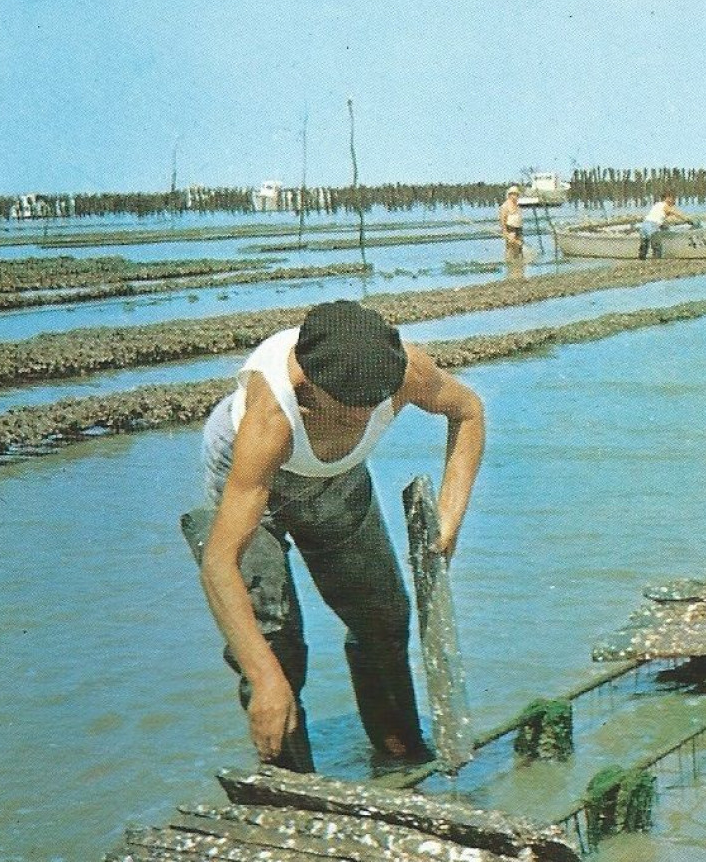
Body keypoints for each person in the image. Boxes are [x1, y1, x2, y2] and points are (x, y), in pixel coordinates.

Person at [183, 299, 485, 772]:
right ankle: (292, 783)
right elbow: (219, 564)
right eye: (347, 415)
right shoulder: (272, 418)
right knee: (273, 646)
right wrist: (265, 679)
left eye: (374, 410)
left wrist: (449, 520)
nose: (363, 422)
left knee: (384, 616)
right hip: (252, 476)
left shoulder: (404, 371)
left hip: (338, 476)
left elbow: (467, 412)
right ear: (310, 391)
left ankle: (400, 751)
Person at [638, 189, 695, 259]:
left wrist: (665, 226)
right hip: (652, 226)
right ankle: (656, 261)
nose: (673, 201)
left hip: (644, 225)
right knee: (657, 245)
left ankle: (642, 258)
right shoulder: (666, 206)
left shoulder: (657, 204)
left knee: (644, 245)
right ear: (667, 198)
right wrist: (688, 220)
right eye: (672, 198)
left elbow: (658, 218)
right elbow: (677, 214)